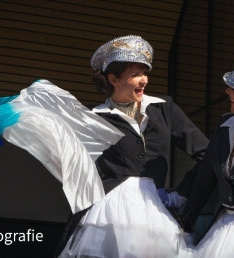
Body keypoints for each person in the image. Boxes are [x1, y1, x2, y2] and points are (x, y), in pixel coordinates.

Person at [55, 35, 209, 258]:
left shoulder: (163, 109)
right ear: (113, 79)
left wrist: (179, 195)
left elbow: (207, 153)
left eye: (144, 73)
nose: (144, 80)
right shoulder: (94, 117)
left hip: (156, 212)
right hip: (109, 214)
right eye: (135, 74)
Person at [181, 70, 234, 258]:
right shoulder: (225, 125)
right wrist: (185, 223)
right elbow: (205, 178)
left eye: (233, 88)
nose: (228, 91)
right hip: (224, 227)